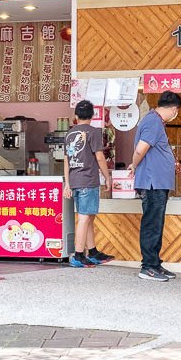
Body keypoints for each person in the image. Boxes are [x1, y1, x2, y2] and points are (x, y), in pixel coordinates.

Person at [129, 90, 181, 282]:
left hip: (158, 182)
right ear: (173, 109)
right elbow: (141, 149)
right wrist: (134, 166)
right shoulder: (153, 121)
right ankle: (148, 266)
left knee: (156, 223)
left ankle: (155, 263)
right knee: (152, 223)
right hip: (152, 183)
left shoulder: (155, 121)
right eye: (176, 111)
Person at [63, 100, 114, 268]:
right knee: (85, 217)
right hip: (88, 180)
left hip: (75, 181)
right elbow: (100, 157)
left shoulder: (69, 134)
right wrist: (107, 177)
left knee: (89, 216)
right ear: (93, 116)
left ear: (76, 116)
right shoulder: (94, 132)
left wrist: (67, 184)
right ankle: (78, 255)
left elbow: (66, 160)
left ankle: (92, 252)